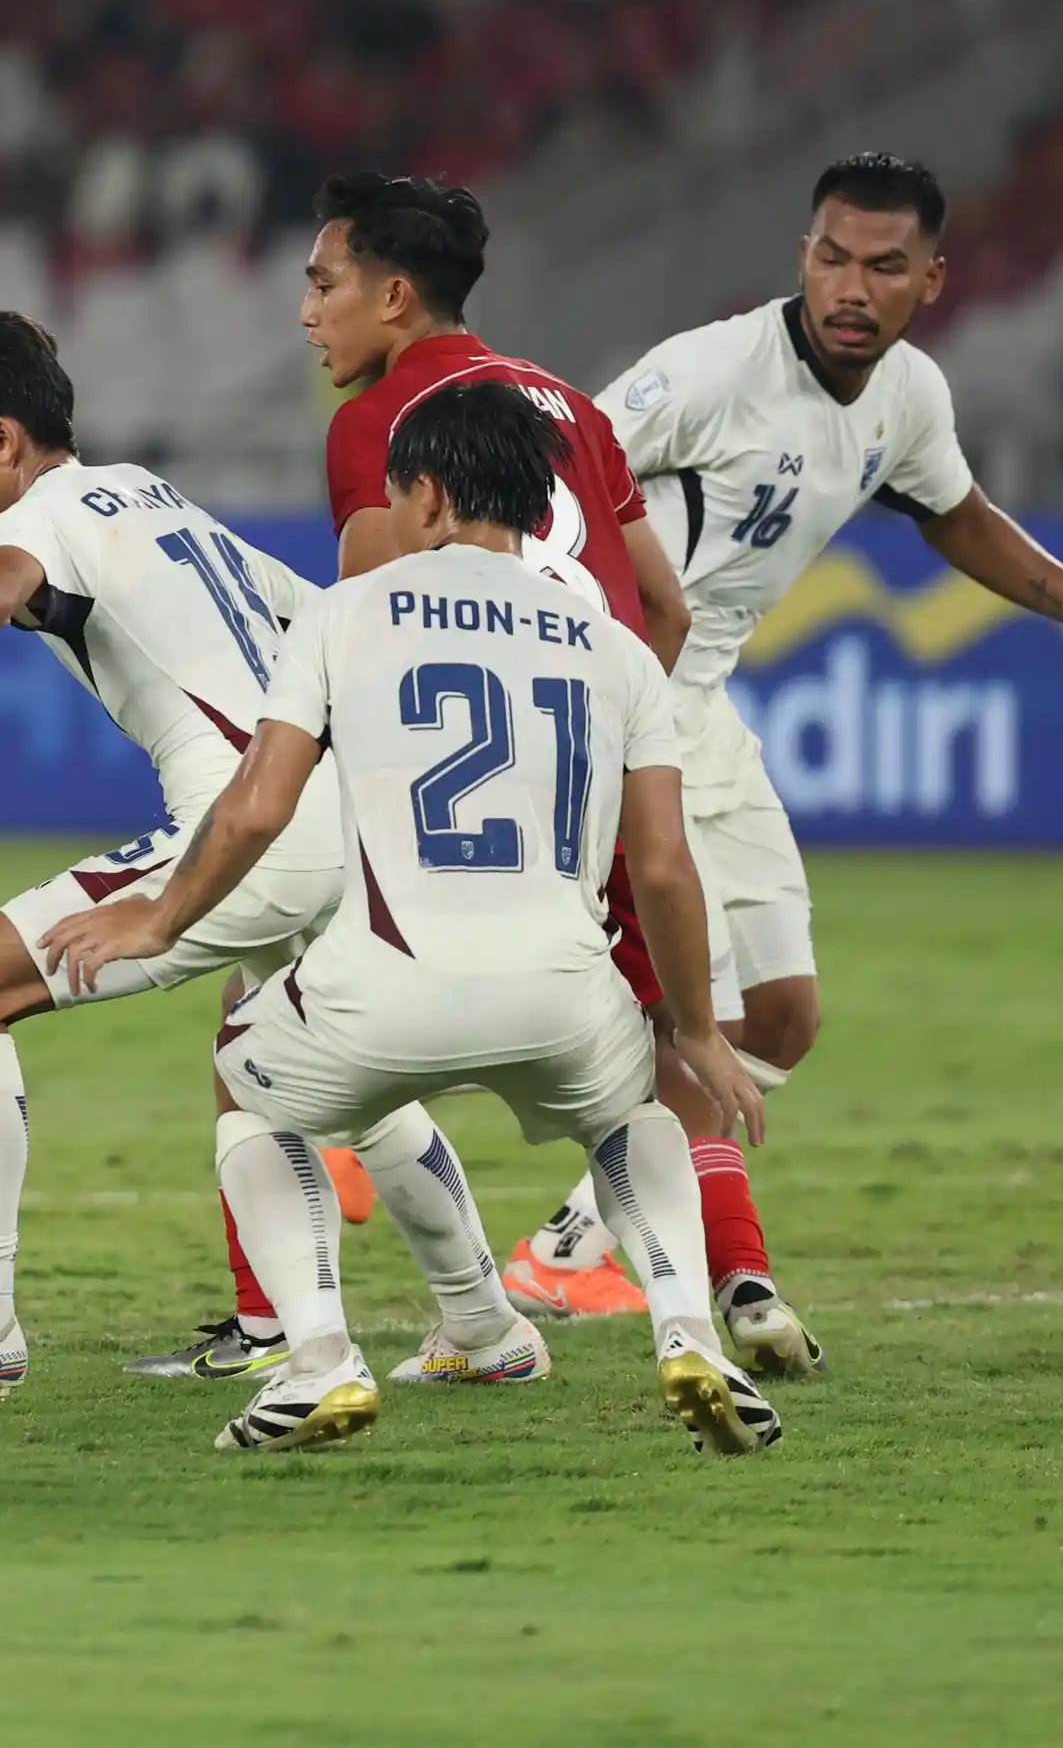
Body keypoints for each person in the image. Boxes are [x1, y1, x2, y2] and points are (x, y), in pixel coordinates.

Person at [0, 310, 541, 1405]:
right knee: (336, 1076)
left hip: (245, 823)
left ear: (2, 436)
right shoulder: (145, 492)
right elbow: (316, 614)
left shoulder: (43, 517)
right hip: (338, 816)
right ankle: (480, 1320)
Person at [507, 151, 1063, 1330]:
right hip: (616, 701)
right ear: (802, 253)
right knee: (686, 1024)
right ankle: (699, 1282)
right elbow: (549, 471)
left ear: (928, 278)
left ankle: (566, 1243)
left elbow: (955, 512)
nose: (849, 284)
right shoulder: (706, 372)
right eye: (830, 256)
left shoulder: (905, 399)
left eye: (881, 265)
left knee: (781, 1014)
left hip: (707, 705)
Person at [42, 380, 787, 1457]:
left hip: (379, 989)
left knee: (250, 1101)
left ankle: (316, 1360)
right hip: (563, 996)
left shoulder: (343, 615)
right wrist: (697, 1028)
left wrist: (158, 915)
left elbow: (256, 802)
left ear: (426, 496)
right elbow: (663, 866)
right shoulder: (611, 646)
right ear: (534, 506)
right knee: (631, 1118)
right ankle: (685, 1330)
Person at [131, 167, 726, 1385]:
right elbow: (663, 605)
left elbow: (371, 628)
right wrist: (602, 735)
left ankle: (293, 1334)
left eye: (321, 283)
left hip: (441, 815)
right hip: (585, 778)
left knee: (261, 1041)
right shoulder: (572, 406)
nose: (304, 313)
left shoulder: (383, 423)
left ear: (391, 294)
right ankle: (708, 1315)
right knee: (648, 1074)